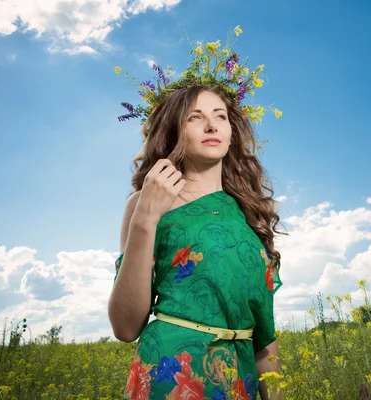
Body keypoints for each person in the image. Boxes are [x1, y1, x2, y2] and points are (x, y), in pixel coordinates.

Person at [108, 27, 284, 400]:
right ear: (174, 130)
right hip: (172, 374)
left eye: (220, 116)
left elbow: (265, 338)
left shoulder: (251, 214)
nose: (210, 125)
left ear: (231, 132)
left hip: (239, 379)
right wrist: (145, 220)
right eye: (194, 117)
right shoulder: (142, 204)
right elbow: (125, 326)